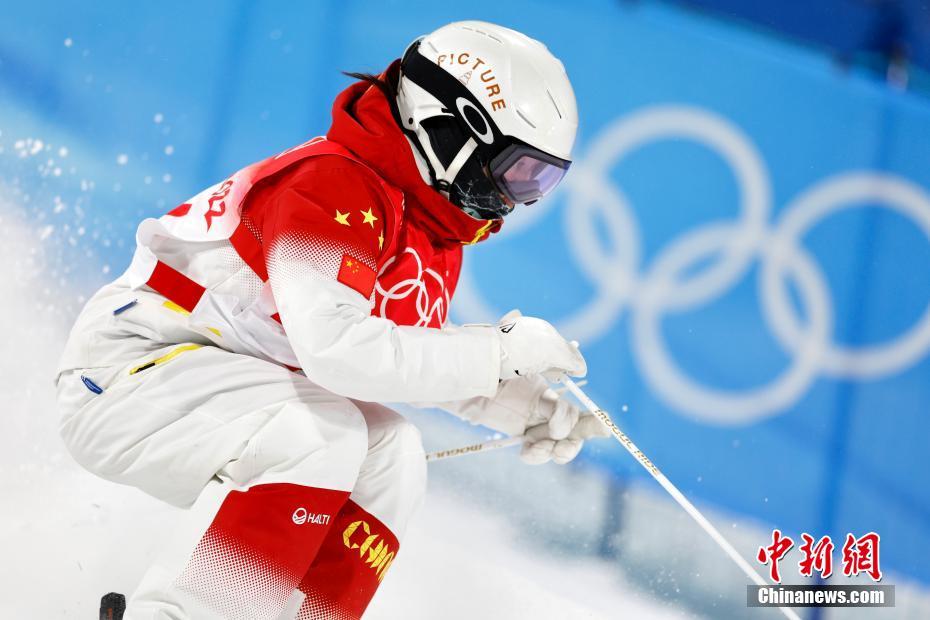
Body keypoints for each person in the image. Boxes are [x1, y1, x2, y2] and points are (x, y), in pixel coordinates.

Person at [55, 20, 607, 620]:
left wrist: (519, 404)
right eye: (517, 170)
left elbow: (398, 356)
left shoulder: (429, 225)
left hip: (215, 383)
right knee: (323, 433)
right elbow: (339, 353)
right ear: (454, 128)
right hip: (128, 374)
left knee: (393, 455)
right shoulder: (334, 186)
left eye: (540, 180)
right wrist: (497, 354)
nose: (516, 198)